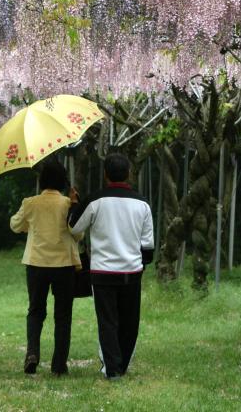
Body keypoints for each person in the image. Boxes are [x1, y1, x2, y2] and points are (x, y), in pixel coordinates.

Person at [68, 152, 154, 380]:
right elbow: (148, 246)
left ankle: (112, 368)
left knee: (108, 321)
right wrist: (140, 264)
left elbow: (74, 227)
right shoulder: (142, 203)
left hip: (102, 272)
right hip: (132, 272)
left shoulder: (95, 200)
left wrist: (75, 204)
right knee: (129, 321)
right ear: (129, 174)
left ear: (105, 174)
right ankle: (122, 364)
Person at [10, 159, 82, 376]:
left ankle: (32, 352)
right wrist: (76, 206)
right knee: (63, 314)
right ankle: (59, 365)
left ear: (41, 181)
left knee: (35, 310)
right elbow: (78, 233)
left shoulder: (30, 203)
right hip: (64, 265)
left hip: (36, 263)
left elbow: (15, 225)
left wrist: (29, 223)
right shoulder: (67, 204)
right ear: (62, 181)